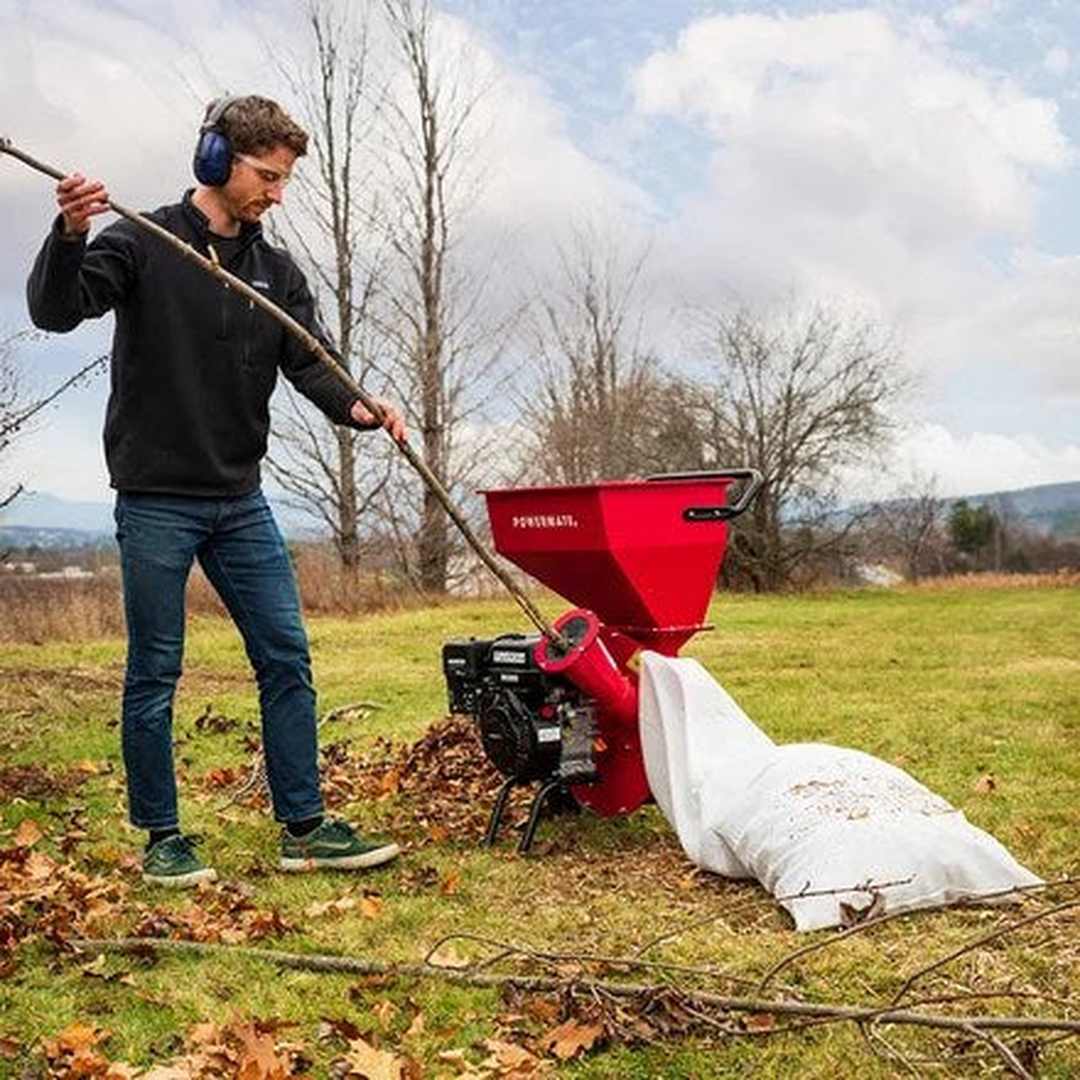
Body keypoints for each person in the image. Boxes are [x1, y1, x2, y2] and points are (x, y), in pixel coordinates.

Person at [27, 95, 405, 888]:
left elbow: (311, 363)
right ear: (214, 161)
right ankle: (163, 838)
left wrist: (360, 408)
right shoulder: (145, 242)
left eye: (284, 178)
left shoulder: (275, 273)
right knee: (155, 669)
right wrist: (70, 234)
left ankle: (303, 828)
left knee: (286, 657)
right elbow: (57, 311)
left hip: (241, 500)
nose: (277, 192)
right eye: (267, 175)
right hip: (157, 497)